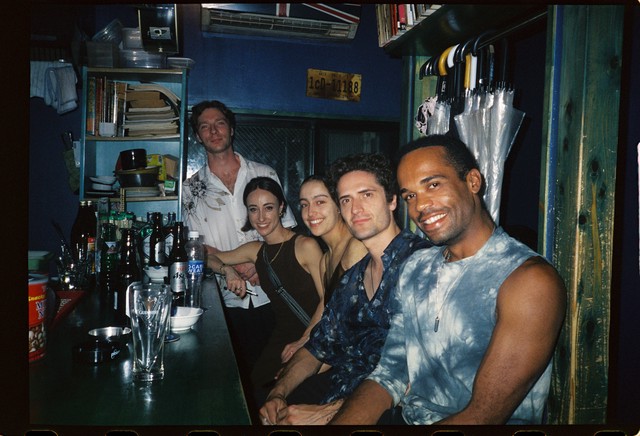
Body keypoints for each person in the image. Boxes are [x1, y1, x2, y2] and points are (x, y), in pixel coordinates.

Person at [330, 134, 567, 425]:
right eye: (410, 196)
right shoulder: (416, 267)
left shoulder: (528, 281)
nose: (420, 206)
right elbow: (388, 374)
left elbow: (482, 416)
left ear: (473, 182)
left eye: (433, 185)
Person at [259, 154, 431, 425]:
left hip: (396, 410)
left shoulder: (424, 265)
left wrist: (328, 413)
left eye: (366, 195)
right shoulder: (352, 279)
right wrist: (277, 394)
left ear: (391, 200)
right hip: (340, 389)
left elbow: (425, 371)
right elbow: (318, 346)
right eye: (346, 200)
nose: (356, 209)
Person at [181, 100, 297, 379]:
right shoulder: (190, 189)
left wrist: (261, 264)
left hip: (275, 295)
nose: (213, 131)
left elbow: (287, 234)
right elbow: (197, 245)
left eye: (219, 123)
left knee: (276, 377)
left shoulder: (265, 174)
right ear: (197, 136)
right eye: (205, 126)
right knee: (235, 378)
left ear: (231, 129)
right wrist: (235, 265)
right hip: (225, 302)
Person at [205, 176, 324, 402]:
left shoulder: (305, 246)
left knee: (275, 399)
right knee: (248, 394)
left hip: (313, 338)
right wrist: (227, 270)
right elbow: (204, 258)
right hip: (281, 340)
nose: (260, 217)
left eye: (268, 208)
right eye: (253, 209)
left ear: (281, 208)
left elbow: (329, 300)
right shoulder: (256, 250)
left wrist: (304, 340)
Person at [278, 175, 369, 363]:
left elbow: (350, 328)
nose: (310, 212)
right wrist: (304, 339)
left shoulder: (356, 248)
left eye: (320, 202)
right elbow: (327, 305)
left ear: (338, 205)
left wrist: (308, 358)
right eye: (304, 204)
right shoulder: (326, 260)